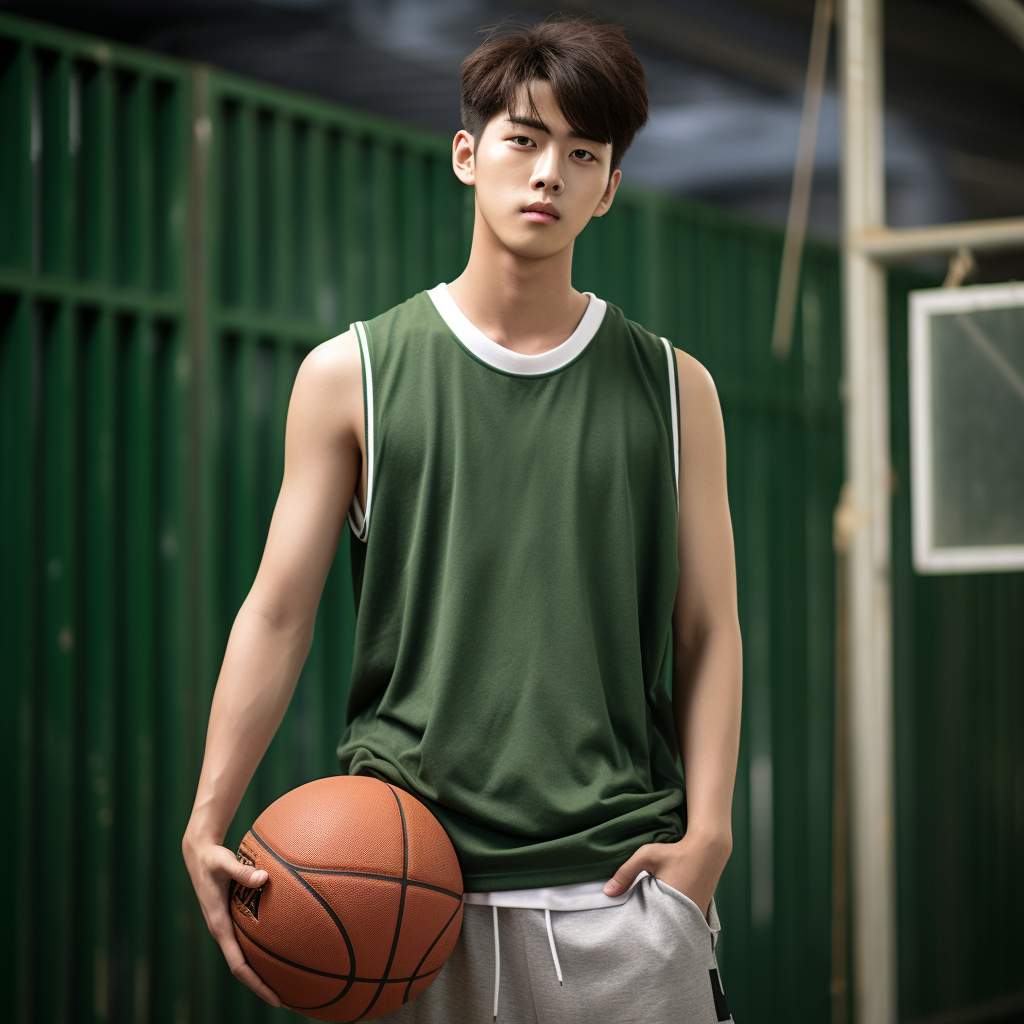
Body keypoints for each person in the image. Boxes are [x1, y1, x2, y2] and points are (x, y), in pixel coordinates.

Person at [182, 13, 742, 1023]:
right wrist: (208, 812)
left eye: (583, 154)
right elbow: (276, 611)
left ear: (609, 187)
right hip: (407, 892)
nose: (548, 174)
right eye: (524, 139)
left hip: (618, 888)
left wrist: (710, 835)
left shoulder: (673, 387)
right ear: (466, 153)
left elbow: (706, 629)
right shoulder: (351, 375)